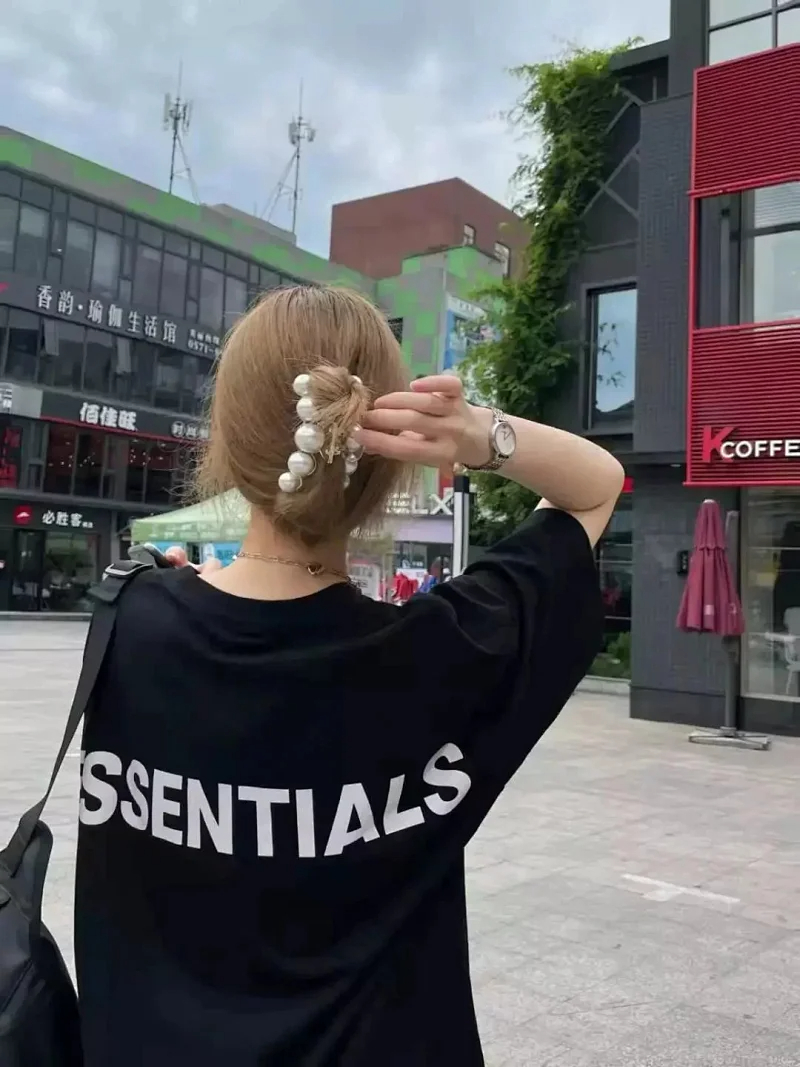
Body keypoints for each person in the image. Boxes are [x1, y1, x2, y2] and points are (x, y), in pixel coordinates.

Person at [75, 285, 624, 1067]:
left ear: (225, 440)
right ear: (388, 460)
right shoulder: (446, 655)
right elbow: (596, 485)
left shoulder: (128, 620)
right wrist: (478, 434)